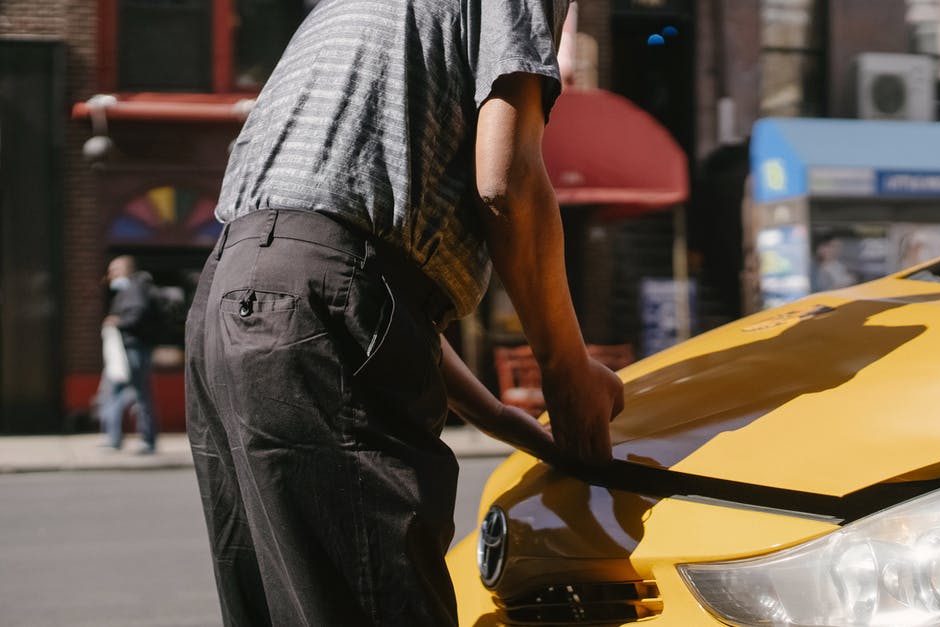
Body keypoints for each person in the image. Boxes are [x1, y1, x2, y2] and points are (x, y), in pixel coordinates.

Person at [184, 1, 624, 625]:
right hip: (306, 297)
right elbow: (506, 182)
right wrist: (566, 367)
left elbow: (334, 259)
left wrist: (497, 415)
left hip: (229, 298)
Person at [98, 255, 159, 454]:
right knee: (124, 393)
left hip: (132, 350)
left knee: (133, 394)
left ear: (126, 270)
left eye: (114, 271)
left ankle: (140, 440)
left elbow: (136, 315)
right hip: (127, 350)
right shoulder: (131, 289)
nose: (110, 276)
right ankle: (117, 438)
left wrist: (117, 321)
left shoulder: (134, 288)